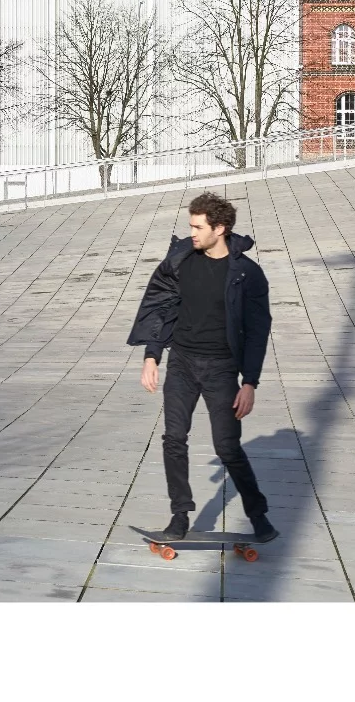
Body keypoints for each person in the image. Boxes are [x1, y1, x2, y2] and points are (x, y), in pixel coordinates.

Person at [130, 192, 277, 544]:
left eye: (198, 227)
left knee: (227, 447)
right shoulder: (181, 262)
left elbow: (259, 330)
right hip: (181, 362)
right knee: (173, 439)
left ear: (220, 227)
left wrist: (250, 383)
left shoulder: (247, 274)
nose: (191, 233)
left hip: (221, 369)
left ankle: (258, 515)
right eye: (190, 225)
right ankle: (180, 515)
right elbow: (162, 308)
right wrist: (152, 356)